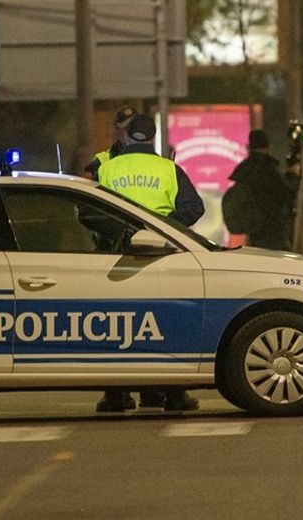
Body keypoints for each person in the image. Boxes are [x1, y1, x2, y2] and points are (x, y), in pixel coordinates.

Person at [95, 114, 204, 413]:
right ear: (154, 138)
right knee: (164, 324)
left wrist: (122, 232)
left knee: (118, 326)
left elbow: (88, 213)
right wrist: (163, 227)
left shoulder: (108, 168)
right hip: (163, 256)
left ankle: (116, 395)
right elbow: (195, 207)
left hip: (116, 258)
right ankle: (172, 394)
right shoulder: (169, 168)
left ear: (127, 136)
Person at [224, 130, 293, 251]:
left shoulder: (244, 171)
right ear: (268, 146)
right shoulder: (272, 170)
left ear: (248, 147)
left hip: (253, 234)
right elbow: (287, 196)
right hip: (275, 235)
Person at [83, 106, 136, 180]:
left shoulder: (151, 159)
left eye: (130, 128)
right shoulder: (102, 161)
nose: (126, 133)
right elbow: (86, 185)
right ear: (116, 130)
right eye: (123, 129)